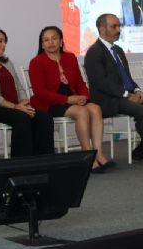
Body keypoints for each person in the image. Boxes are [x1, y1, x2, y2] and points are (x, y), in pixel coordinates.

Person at [84, 14, 143, 163]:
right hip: (108, 100)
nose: (118, 30)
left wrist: (136, 90)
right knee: (142, 111)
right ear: (102, 29)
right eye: (114, 26)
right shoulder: (94, 52)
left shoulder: (118, 50)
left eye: (119, 26)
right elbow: (100, 82)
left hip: (126, 96)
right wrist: (126, 95)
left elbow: (127, 78)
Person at [27, 26, 112, 172]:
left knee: (95, 108)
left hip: (73, 98)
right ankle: (87, 156)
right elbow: (40, 92)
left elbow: (80, 82)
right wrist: (68, 100)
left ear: (61, 41)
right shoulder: (36, 62)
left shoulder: (70, 57)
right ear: (42, 45)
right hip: (50, 102)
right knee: (82, 113)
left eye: (54, 38)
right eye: (46, 40)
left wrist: (84, 97)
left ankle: (98, 153)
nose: (51, 42)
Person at [0, 28, 54, 158]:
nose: (4, 45)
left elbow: (19, 86)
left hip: (17, 107)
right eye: (0, 41)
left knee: (44, 117)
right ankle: (21, 163)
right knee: (22, 118)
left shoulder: (7, 63)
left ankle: (44, 161)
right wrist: (15, 107)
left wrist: (24, 103)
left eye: (5, 42)